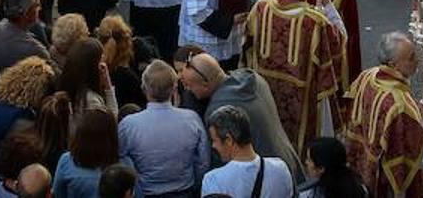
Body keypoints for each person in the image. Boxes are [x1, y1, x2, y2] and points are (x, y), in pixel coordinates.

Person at [244, 0, 348, 157]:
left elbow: (246, 48)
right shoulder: (315, 21)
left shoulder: (261, 7)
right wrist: (327, 5)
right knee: (298, 149)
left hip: (264, 93)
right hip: (302, 100)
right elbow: (340, 41)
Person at [179, 53, 303, 181]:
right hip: (287, 165)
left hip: (266, 179)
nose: (188, 90)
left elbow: (222, 163)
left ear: (205, 84)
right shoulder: (254, 77)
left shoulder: (219, 112)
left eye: (189, 85)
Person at [342, 33, 423, 198]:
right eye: (411, 58)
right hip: (384, 179)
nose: (417, 61)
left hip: (363, 161)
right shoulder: (401, 104)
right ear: (394, 64)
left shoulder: (367, 75)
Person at [118, 61, 209, 198]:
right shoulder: (192, 119)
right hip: (185, 190)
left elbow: (120, 160)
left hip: (146, 191)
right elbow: (203, 161)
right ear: (174, 88)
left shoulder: (129, 125)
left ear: (144, 89)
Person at [202, 105, 295, 198]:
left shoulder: (213, 180)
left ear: (229, 140)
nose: (213, 146)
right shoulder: (281, 169)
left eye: (214, 140)